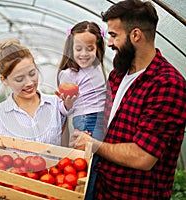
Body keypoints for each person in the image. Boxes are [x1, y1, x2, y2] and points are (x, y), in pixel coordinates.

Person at [69, 0, 186, 199]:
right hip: (102, 189)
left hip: (132, 195)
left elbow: (143, 157)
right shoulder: (118, 74)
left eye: (114, 35)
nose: (110, 42)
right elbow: (109, 128)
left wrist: (93, 144)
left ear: (136, 35)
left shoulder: (167, 84)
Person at [0, 38, 77, 146]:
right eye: (19, 79)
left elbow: (64, 152)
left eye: (32, 74)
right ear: (4, 79)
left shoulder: (57, 105)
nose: (29, 83)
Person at [56, 21, 107, 200]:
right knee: (87, 167)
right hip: (87, 121)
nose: (84, 54)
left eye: (90, 48)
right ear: (70, 48)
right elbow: (66, 108)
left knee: (94, 164)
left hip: (99, 119)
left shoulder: (96, 67)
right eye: (78, 49)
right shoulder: (69, 73)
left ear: (98, 47)